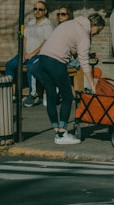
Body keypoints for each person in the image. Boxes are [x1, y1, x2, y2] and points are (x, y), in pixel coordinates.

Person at [31, 13, 105, 145]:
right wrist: (92, 83)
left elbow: (66, 45)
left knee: (51, 96)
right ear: (95, 25)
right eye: (98, 31)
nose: (96, 34)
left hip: (42, 60)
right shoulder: (83, 34)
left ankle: (56, 129)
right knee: (67, 97)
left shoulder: (67, 24)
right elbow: (84, 62)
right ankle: (62, 133)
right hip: (56, 63)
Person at [3, 1, 55, 107]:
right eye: (35, 9)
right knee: (9, 65)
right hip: (26, 54)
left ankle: (33, 94)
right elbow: (24, 38)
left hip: (40, 55)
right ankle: (10, 92)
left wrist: (32, 54)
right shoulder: (30, 23)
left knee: (31, 67)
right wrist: (23, 53)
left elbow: (46, 42)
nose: (37, 11)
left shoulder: (48, 25)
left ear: (45, 11)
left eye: (40, 9)